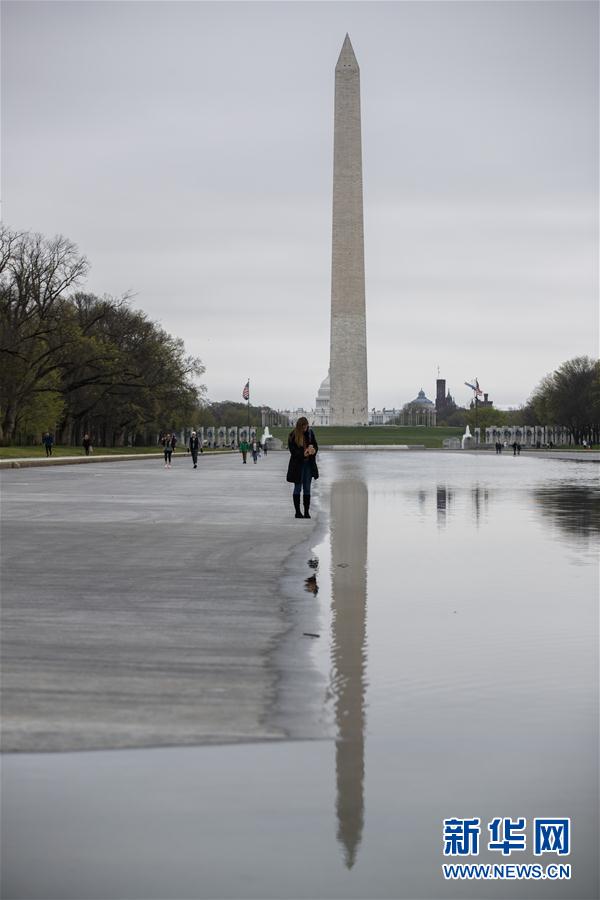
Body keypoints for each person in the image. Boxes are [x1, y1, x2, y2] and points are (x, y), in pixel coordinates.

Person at [286, 416, 318, 519]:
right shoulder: (293, 435)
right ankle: (297, 512)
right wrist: (303, 454)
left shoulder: (310, 433)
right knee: (298, 488)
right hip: (298, 466)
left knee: (307, 489)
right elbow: (293, 451)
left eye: (306, 427)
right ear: (299, 427)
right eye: (303, 427)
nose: (305, 429)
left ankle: (306, 512)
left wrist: (313, 450)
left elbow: (315, 445)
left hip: (308, 465)